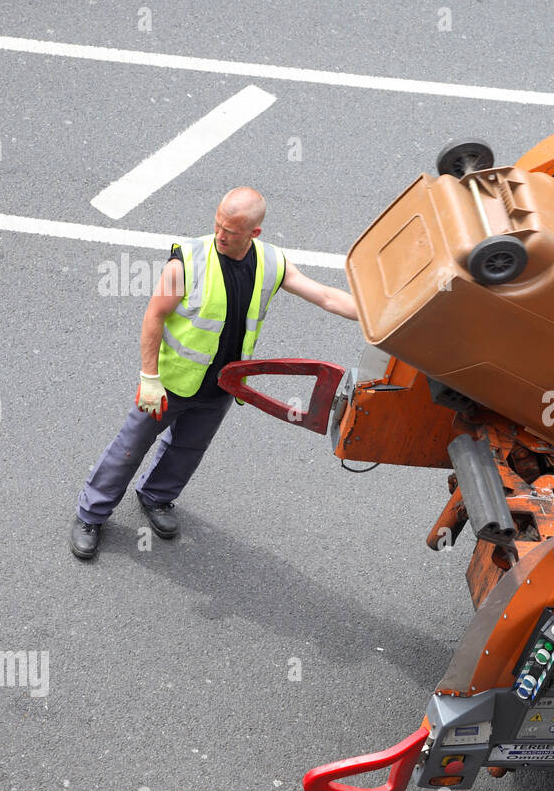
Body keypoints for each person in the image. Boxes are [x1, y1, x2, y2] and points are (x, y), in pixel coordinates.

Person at [70, 187, 358, 559]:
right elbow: (154, 315)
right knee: (129, 447)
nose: (221, 235)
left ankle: (157, 496)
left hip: (221, 386)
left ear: (254, 233)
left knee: (189, 448)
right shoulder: (188, 260)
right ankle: (90, 515)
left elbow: (326, 296)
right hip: (170, 383)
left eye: (231, 231)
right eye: (218, 225)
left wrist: (377, 317)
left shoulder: (271, 262)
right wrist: (149, 378)